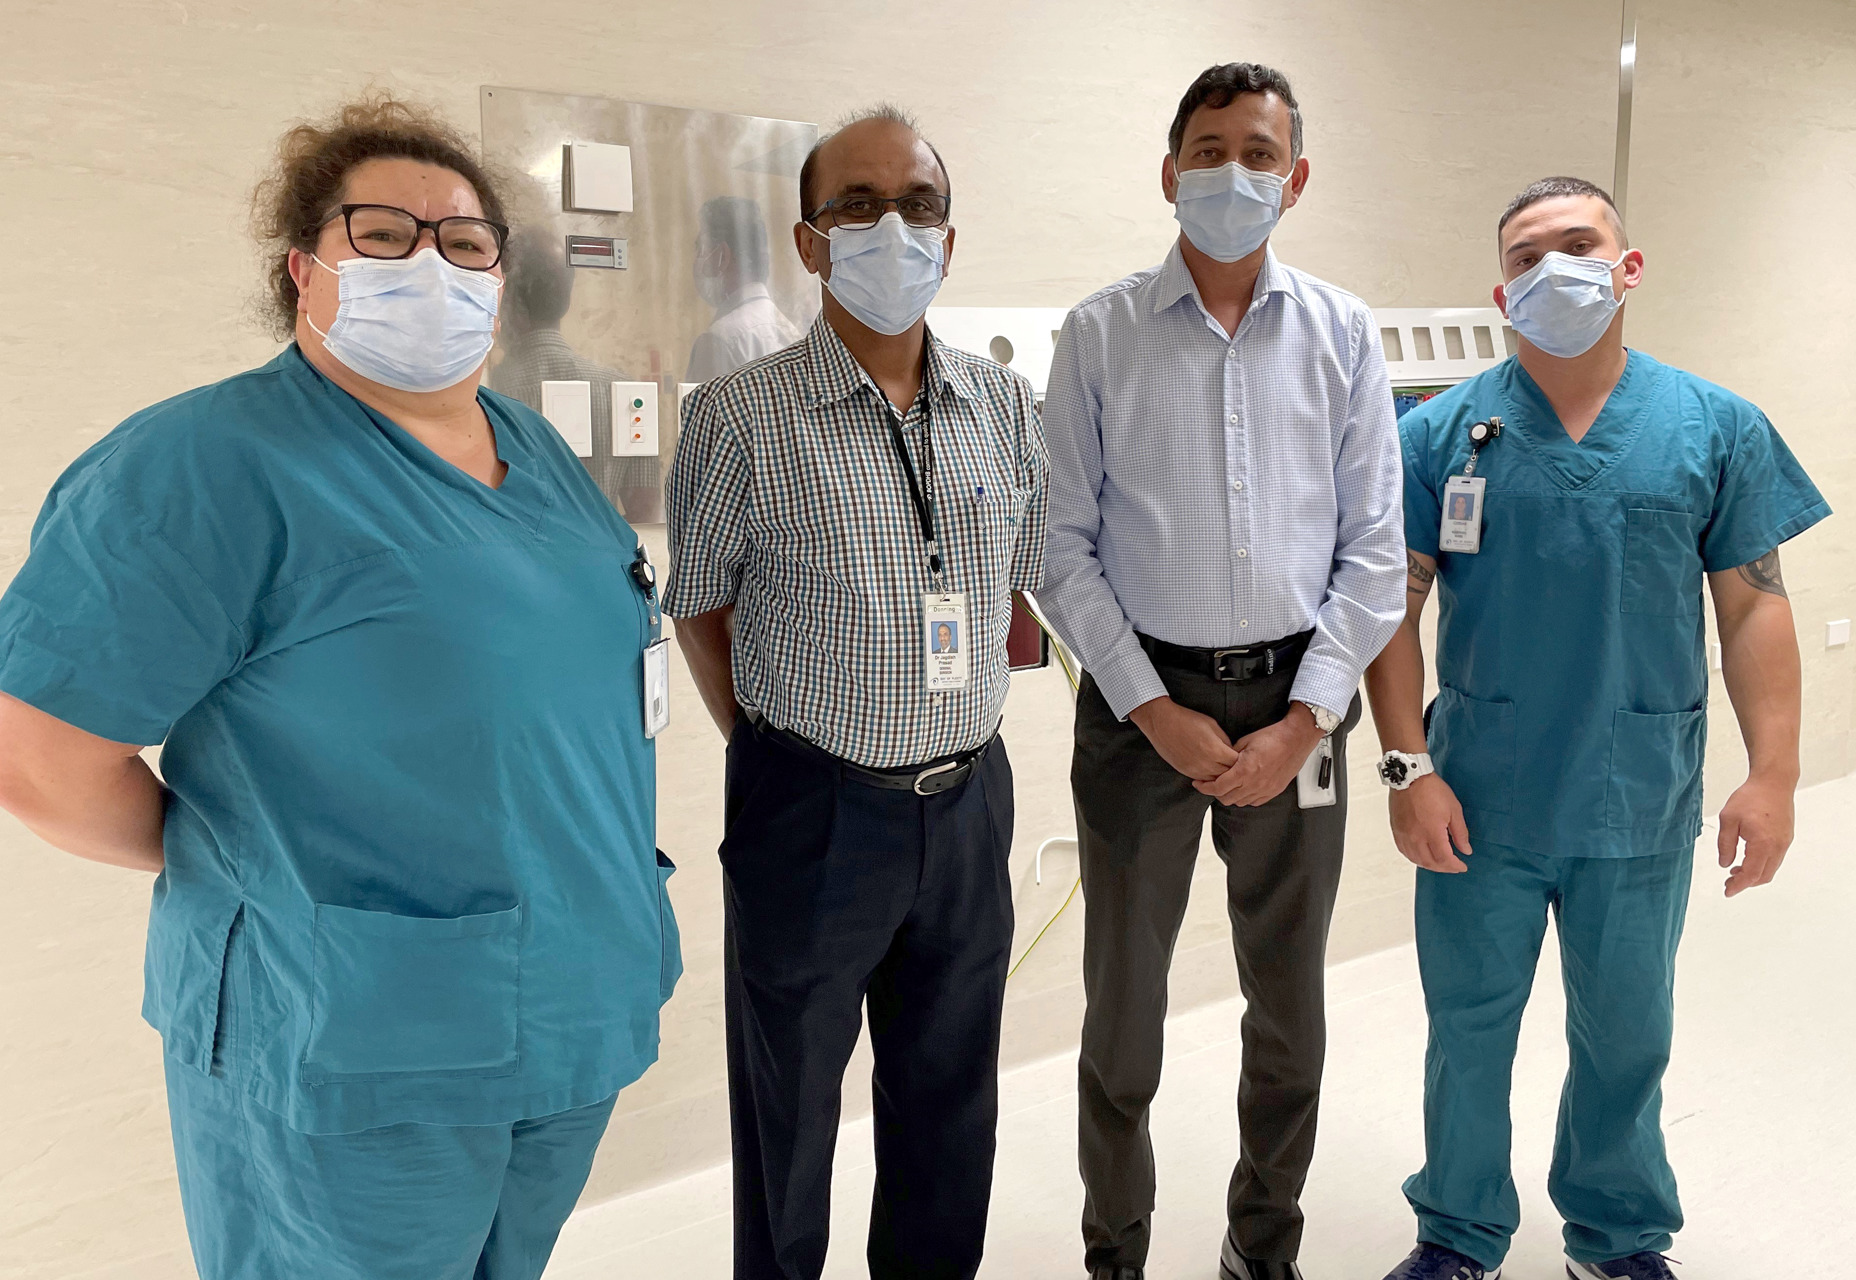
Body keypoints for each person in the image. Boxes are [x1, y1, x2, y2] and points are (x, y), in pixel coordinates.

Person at [0, 96, 682, 1280]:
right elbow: (36, 761)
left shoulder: (533, 448)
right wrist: (254, 866)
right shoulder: (205, 467)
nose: (432, 263)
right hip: (356, 1046)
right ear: (304, 268)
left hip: (571, 1012)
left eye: (465, 243)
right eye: (385, 233)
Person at [1365, 177, 1830, 1280]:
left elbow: (1755, 603)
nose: (1553, 267)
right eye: (1527, 255)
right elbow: (1391, 604)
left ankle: (1617, 1238)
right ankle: (1457, 1231)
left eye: (1579, 243)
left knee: (1626, 1032)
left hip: (1640, 788)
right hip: (1478, 790)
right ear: (1500, 291)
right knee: (1468, 1025)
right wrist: (1404, 765)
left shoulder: (1714, 426)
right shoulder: (1438, 432)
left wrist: (1775, 776)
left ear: (1628, 265)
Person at [665, 104, 1046, 1280]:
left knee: (949, 1098)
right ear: (809, 240)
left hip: (970, 799)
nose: (894, 228)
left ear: (950, 235)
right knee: (789, 1110)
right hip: (814, 809)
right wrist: (775, 749)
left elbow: (1014, 584)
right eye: (859, 206)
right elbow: (701, 603)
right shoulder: (738, 415)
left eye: (919, 205)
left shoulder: (1001, 405)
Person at [1039, 63, 1405, 1280]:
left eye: (1259, 153)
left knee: (1287, 1008)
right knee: (1123, 1012)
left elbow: (1373, 553)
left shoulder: (1346, 335)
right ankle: (1116, 1250)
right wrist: (1150, 705)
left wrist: (1308, 719)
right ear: (1168, 173)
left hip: (1301, 701)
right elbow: (1062, 545)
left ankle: (1263, 1247)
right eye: (1208, 149)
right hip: (1141, 708)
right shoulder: (1098, 336)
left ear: (1295, 180)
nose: (1232, 173)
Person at [489, 225, 634, 512]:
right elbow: (646, 510)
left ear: (509, 300)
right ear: (567, 301)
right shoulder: (621, 389)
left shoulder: (486, 391)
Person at [686, 195, 803, 381]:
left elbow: (701, 410)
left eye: (701, 249)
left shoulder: (718, 341)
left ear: (722, 257)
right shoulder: (791, 333)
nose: (696, 262)